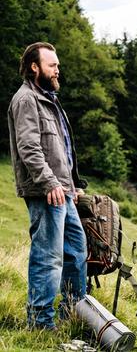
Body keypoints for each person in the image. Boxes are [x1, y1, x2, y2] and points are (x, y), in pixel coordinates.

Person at [7, 42, 88, 331]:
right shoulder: (26, 100)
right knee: (48, 257)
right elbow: (28, 147)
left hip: (63, 191)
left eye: (57, 66)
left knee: (76, 254)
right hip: (46, 193)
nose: (57, 70)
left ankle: (75, 317)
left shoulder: (49, 100)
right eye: (52, 65)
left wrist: (72, 185)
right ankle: (40, 324)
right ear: (34, 67)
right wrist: (50, 182)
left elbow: (61, 149)